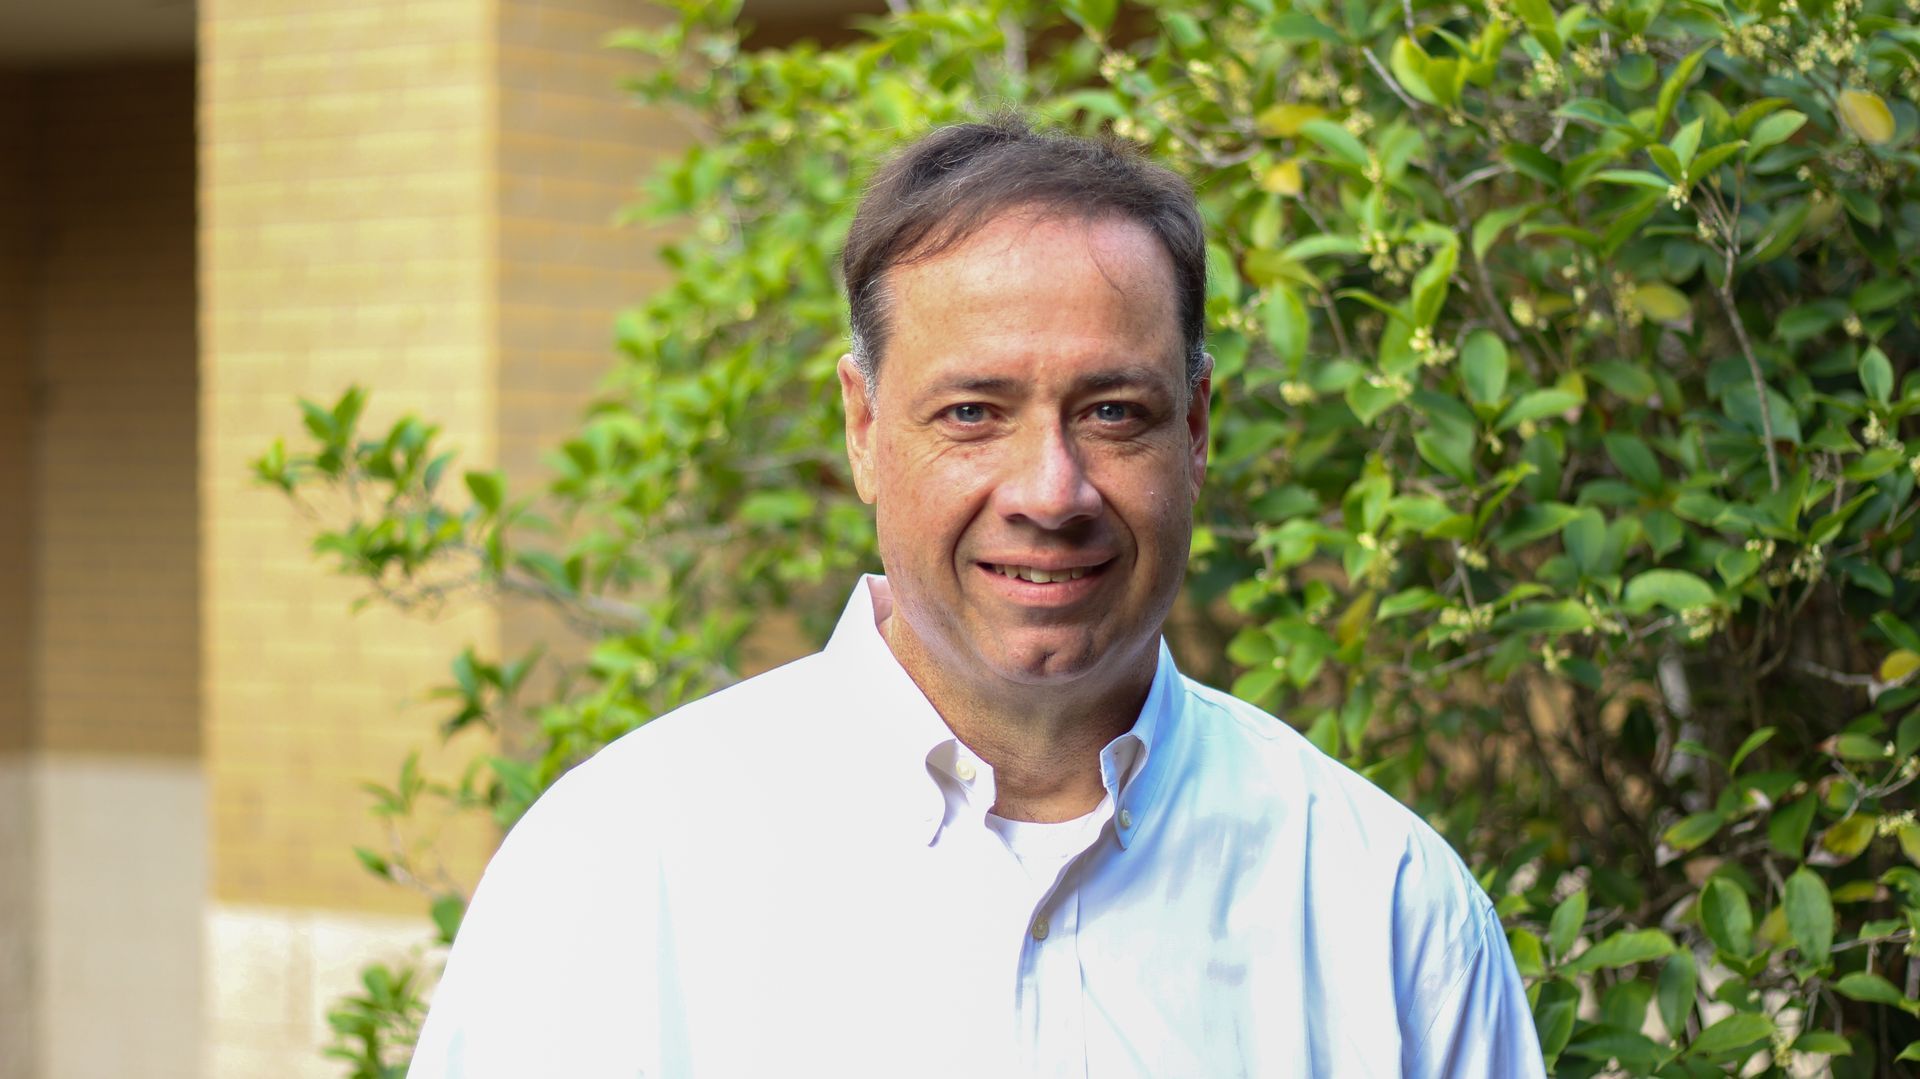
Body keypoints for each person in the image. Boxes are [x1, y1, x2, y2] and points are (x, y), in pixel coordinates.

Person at [407, 115, 1545, 1078]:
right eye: (972, 414)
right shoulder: (611, 873)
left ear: (1196, 429)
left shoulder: (1387, 906)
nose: (1051, 492)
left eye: (1113, 412)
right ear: (864, 427)